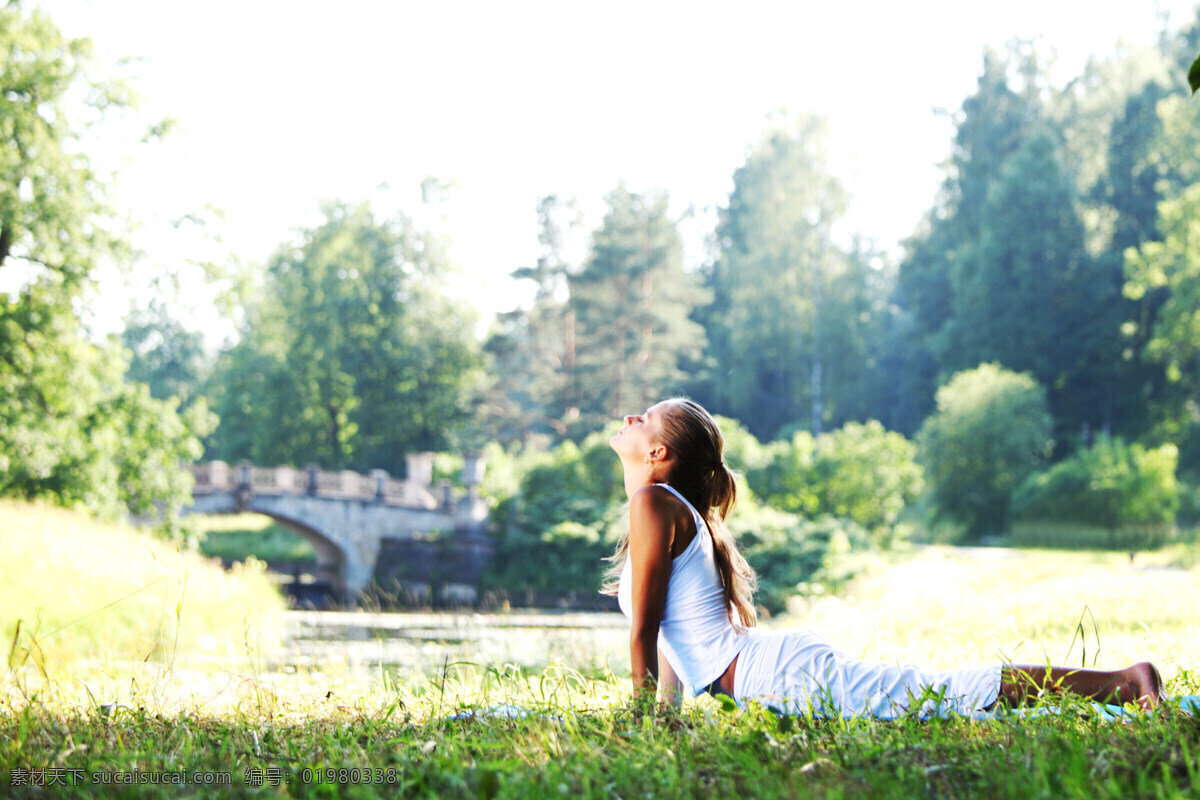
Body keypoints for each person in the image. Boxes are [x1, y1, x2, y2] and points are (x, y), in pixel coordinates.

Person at [603, 397, 1164, 718]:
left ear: (658, 452)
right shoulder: (659, 506)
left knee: (947, 696)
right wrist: (666, 717)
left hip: (779, 675)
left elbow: (646, 629)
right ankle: (1121, 683)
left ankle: (1126, 682)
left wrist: (640, 719)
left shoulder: (653, 503)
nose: (630, 417)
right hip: (769, 673)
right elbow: (671, 637)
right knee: (938, 694)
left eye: (644, 418)